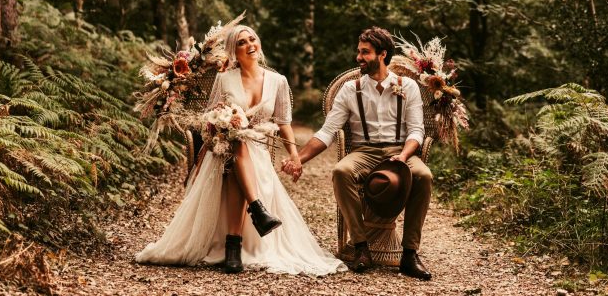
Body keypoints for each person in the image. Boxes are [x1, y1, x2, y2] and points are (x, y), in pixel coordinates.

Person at [136, 25, 345, 276]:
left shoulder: (278, 81)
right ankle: (255, 212)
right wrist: (224, 122)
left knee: (239, 152)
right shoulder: (225, 79)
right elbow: (209, 119)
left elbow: (284, 123)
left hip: (257, 150)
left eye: (252, 39)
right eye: (242, 43)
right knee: (236, 144)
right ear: (235, 51)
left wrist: (293, 156)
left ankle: (234, 243)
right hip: (223, 148)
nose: (250, 45)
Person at [283, 26, 433, 280]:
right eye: (359, 52)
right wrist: (299, 159)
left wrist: (404, 157)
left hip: (401, 150)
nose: (359, 57)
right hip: (364, 151)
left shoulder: (407, 86)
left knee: (424, 176)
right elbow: (327, 132)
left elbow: (416, 131)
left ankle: (409, 254)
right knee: (341, 170)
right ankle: (361, 247)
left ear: (382, 54)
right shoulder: (350, 90)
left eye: (365, 52)